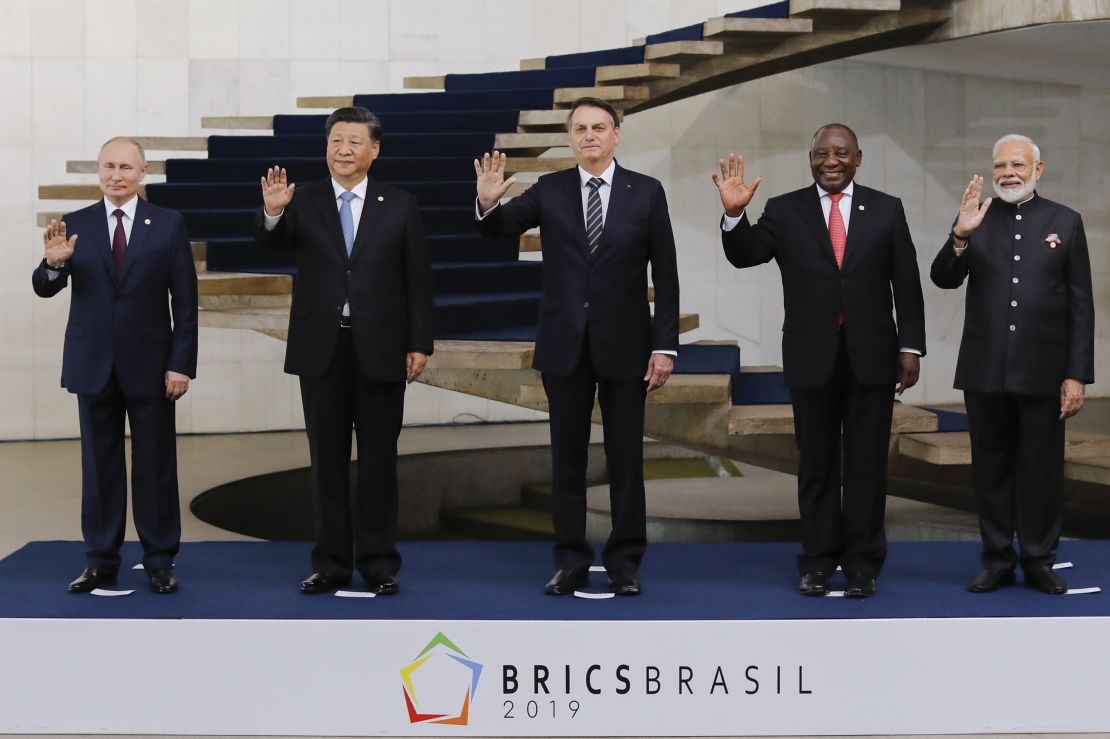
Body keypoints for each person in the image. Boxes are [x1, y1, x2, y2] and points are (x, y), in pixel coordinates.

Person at [474, 97, 680, 596]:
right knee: (566, 457)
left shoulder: (647, 192)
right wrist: (487, 202)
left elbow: (666, 275)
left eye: (600, 127)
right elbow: (502, 228)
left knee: (625, 458)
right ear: (571, 138)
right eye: (581, 128)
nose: (590, 135)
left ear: (616, 135)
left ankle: (624, 562)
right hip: (564, 345)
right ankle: (570, 559)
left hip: (628, 346)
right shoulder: (550, 189)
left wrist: (665, 346)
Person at [713, 124, 925, 598]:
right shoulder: (784, 210)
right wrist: (733, 216)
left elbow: (906, 284)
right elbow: (747, 255)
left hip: (873, 358)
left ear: (858, 158)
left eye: (841, 153)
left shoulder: (887, 209)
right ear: (810, 159)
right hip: (813, 358)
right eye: (822, 153)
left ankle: (863, 565)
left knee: (868, 465)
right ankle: (817, 561)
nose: (831, 161)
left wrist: (911, 346)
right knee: (817, 465)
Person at [257, 106, 434, 595]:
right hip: (322, 350)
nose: (344, 150)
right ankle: (331, 563)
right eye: (336, 140)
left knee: (379, 462)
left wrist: (420, 342)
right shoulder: (303, 200)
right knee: (327, 462)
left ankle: (379, 564)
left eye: (355, 141)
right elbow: (271, 242)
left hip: (381, 348)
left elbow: (417, 280)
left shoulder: (399, 204)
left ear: (374, 149)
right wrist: (274, 211)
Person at [32, 137, 198, 595]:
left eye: (126, 166)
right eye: (109, 166)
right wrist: (53, 264)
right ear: (99, 171)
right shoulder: (75, 224)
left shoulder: (167, 224)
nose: (116, 174)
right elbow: (44, 286)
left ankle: (160, 559)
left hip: (152, 367)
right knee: (99, 467)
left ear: (143, 172)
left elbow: (185, 301)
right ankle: (101, 560)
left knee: (155, 467)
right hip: (93, 366)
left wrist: (180, 363)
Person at [930, 134, 1094, 595]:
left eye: (1018, 165)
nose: (1008, 173)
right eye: (1000, 165)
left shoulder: (1066, 221)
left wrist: (1076, 373)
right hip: (985, 370)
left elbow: (1081, 305)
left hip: (1045, 371)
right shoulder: (976, 219)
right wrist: (959, 233)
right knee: (991, 469)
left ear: (1038, 170)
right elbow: (943, 278)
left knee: (1041, 469)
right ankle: (998, 559)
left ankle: (1039, 560)